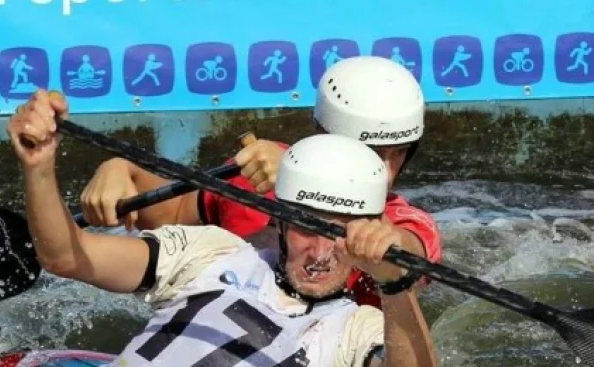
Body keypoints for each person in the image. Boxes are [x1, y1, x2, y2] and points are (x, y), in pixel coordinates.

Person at [0, 89, 438, 367]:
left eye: (341, 234)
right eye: (306, 227)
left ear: (367, 232)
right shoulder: (214, 250)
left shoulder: (359, 329)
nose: (321, 252)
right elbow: (68, 257)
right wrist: (40, 166)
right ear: (277, 217)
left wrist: (392, 277)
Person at [80, 55, 441, 308]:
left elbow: (403, 254)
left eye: (401, 152)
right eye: (373, 153)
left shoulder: (408, 224)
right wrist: (120, 170)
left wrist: (301, 180)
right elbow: (167, 211)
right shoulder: (255, 176)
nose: (389, 171)